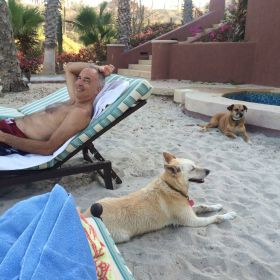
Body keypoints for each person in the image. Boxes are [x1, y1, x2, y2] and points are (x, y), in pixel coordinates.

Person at [0, 62, 115, 156]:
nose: (78, 83)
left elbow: (48, 148)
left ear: (98, 89)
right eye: (79, 78)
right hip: (8, 126)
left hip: (12, 139)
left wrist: (5, 137)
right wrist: (98, 67)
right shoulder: (75, 100)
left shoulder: (80, 113)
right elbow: (69, 68)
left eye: (86, 80)